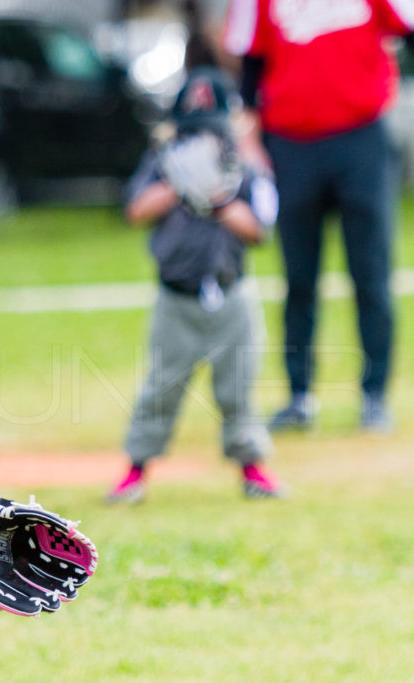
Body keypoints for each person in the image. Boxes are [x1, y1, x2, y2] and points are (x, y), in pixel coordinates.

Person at [223, 0, 411, 432]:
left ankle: (375, 395)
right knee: (299, 278)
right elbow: (250, 63)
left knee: (371, 272)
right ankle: (299, 396)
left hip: (362, 135)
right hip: (290, 141)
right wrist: (248, 136)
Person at [107, 68, 284, 504]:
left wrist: (217, 196)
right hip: (177, 296)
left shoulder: (246, 167)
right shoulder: (163, 161)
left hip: (231, 294)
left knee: (238, 386)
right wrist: (176, 184)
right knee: (161, 387)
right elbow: (135, 211)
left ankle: (253, 469)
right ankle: (136, 471)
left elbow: (258, 229)